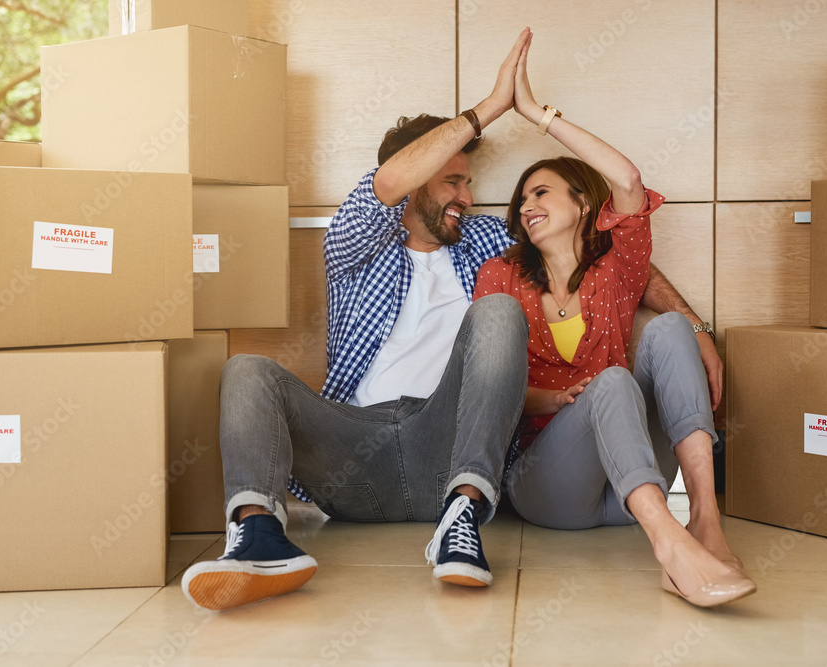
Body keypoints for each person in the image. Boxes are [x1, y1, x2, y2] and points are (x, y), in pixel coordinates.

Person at [181, 27, 722, 612]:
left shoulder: (490, 246)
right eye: (453, 181)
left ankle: (462, 518)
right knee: (247, 370)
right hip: (353, 450)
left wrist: (692, 324)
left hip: (448, 441)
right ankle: (258, 536)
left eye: (469, 182)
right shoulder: (353, 245)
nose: (468, 195)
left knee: (495, 313)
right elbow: (386, 183)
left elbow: (607, 254)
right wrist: (493, 106)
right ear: (416, 183)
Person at [473, 33, 756, 607]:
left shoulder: (615, 270)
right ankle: (671, 548)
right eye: (521, 200)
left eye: (542, 192)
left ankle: (704, 517)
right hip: (549, 487)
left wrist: (537, 115)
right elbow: (486, 390)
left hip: (628, 481)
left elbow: (627, 180)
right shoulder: (499, 276)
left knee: (672, 328)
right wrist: (555, 400)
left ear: (584, 203)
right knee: (610, 383)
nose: (526, 206)